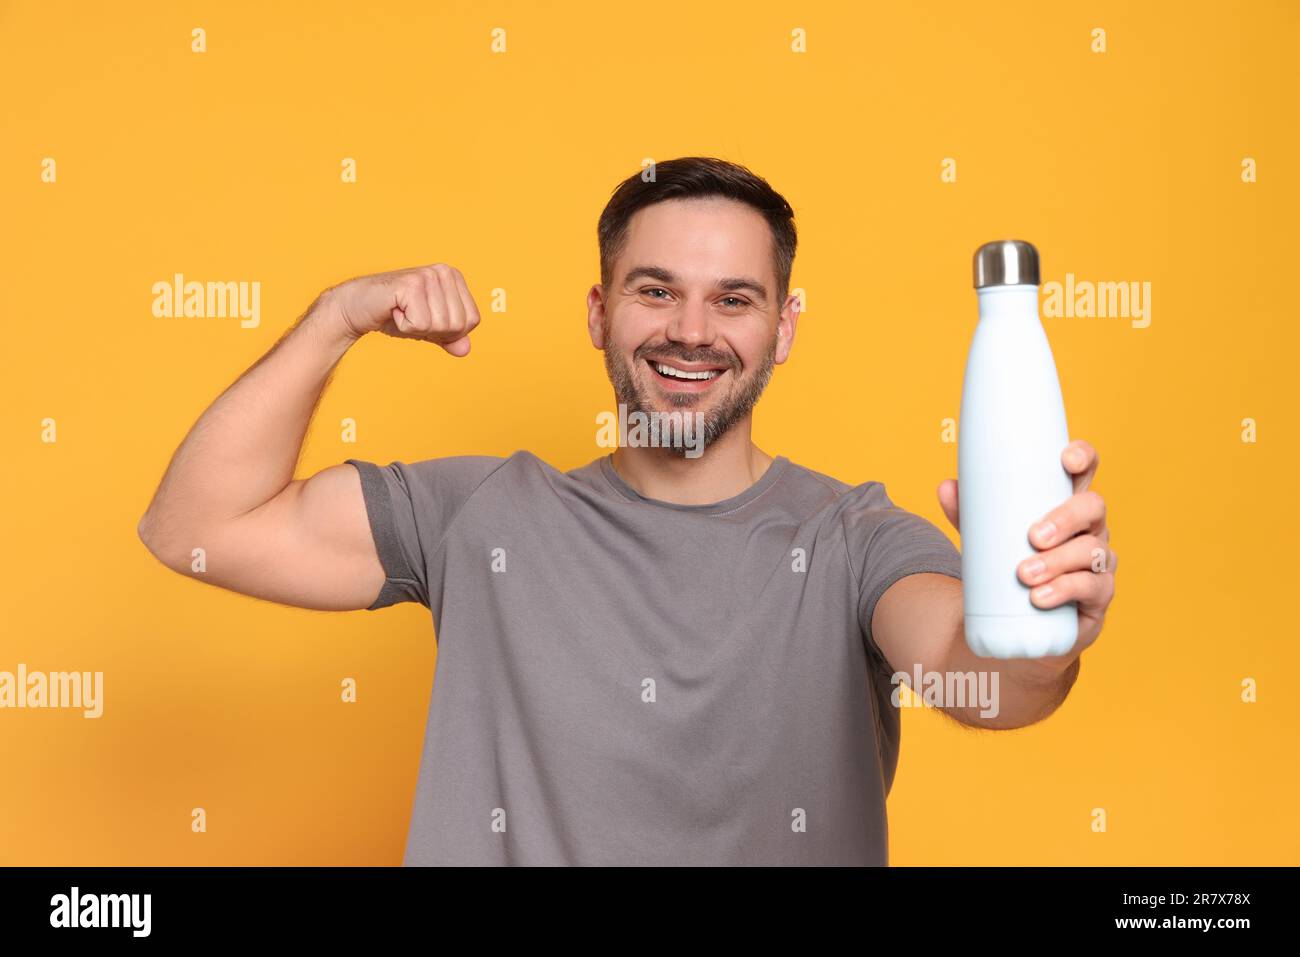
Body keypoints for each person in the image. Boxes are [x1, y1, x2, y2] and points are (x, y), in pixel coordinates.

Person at [138, 156, 1117, 865]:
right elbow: (196, 529)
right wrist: (336, 316)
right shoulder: (483, 517)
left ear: (783, 329)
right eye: (656, 292)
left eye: (734, 300)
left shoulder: (849, 538)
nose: (691, 332)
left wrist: (1042, 619)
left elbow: (980, 679)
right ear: (601, 312)